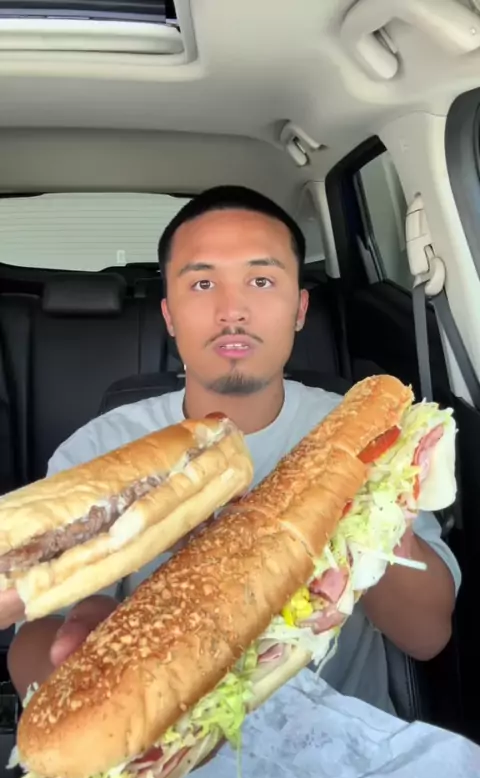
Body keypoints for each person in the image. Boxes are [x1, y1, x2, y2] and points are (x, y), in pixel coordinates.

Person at [5, 185, 459, 717]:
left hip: (345, 743)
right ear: (170, 316)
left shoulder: (370, 432)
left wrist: (366, 510)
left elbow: (426, 637)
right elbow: (36, 632)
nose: (232, 310)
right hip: (163, 735)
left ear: (299, 309)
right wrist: (75, 679)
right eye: (202, 283)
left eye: (261, 281)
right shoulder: (100, 448)